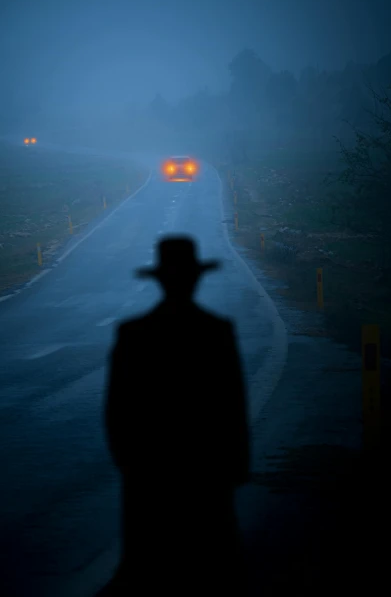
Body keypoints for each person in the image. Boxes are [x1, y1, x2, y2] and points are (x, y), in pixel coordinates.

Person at [101, 235, 250, 595]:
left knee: (146, 567)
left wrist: (129, 464)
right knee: (213, 568)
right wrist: (235, 468)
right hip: (206, 473)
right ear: (196, 279)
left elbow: (116, 409)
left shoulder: (133, 334)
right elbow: (233, 406)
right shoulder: (217, 332)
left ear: (160, 280)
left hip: (149, 474)